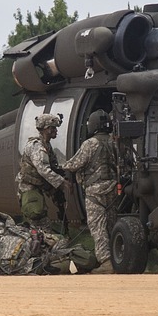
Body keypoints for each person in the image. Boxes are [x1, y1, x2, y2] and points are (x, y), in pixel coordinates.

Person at [61, 109, 117, 272]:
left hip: (95, 193)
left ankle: (106, 263)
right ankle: (116, 258)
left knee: (98, 228)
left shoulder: (90, 144)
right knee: (111, 226)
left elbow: (74, 164)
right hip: (113, 191)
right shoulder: (115, 141)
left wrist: (59, 168)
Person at [16, 113, 72, 229]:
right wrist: (61, 183)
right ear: (46, 129)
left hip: (39, 186)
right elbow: (43, 169)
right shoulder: (36, 146)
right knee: (39, 220)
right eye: (53, 128)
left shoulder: (47, 146)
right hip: (29, 187)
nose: (56, 131)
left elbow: (53, 166)